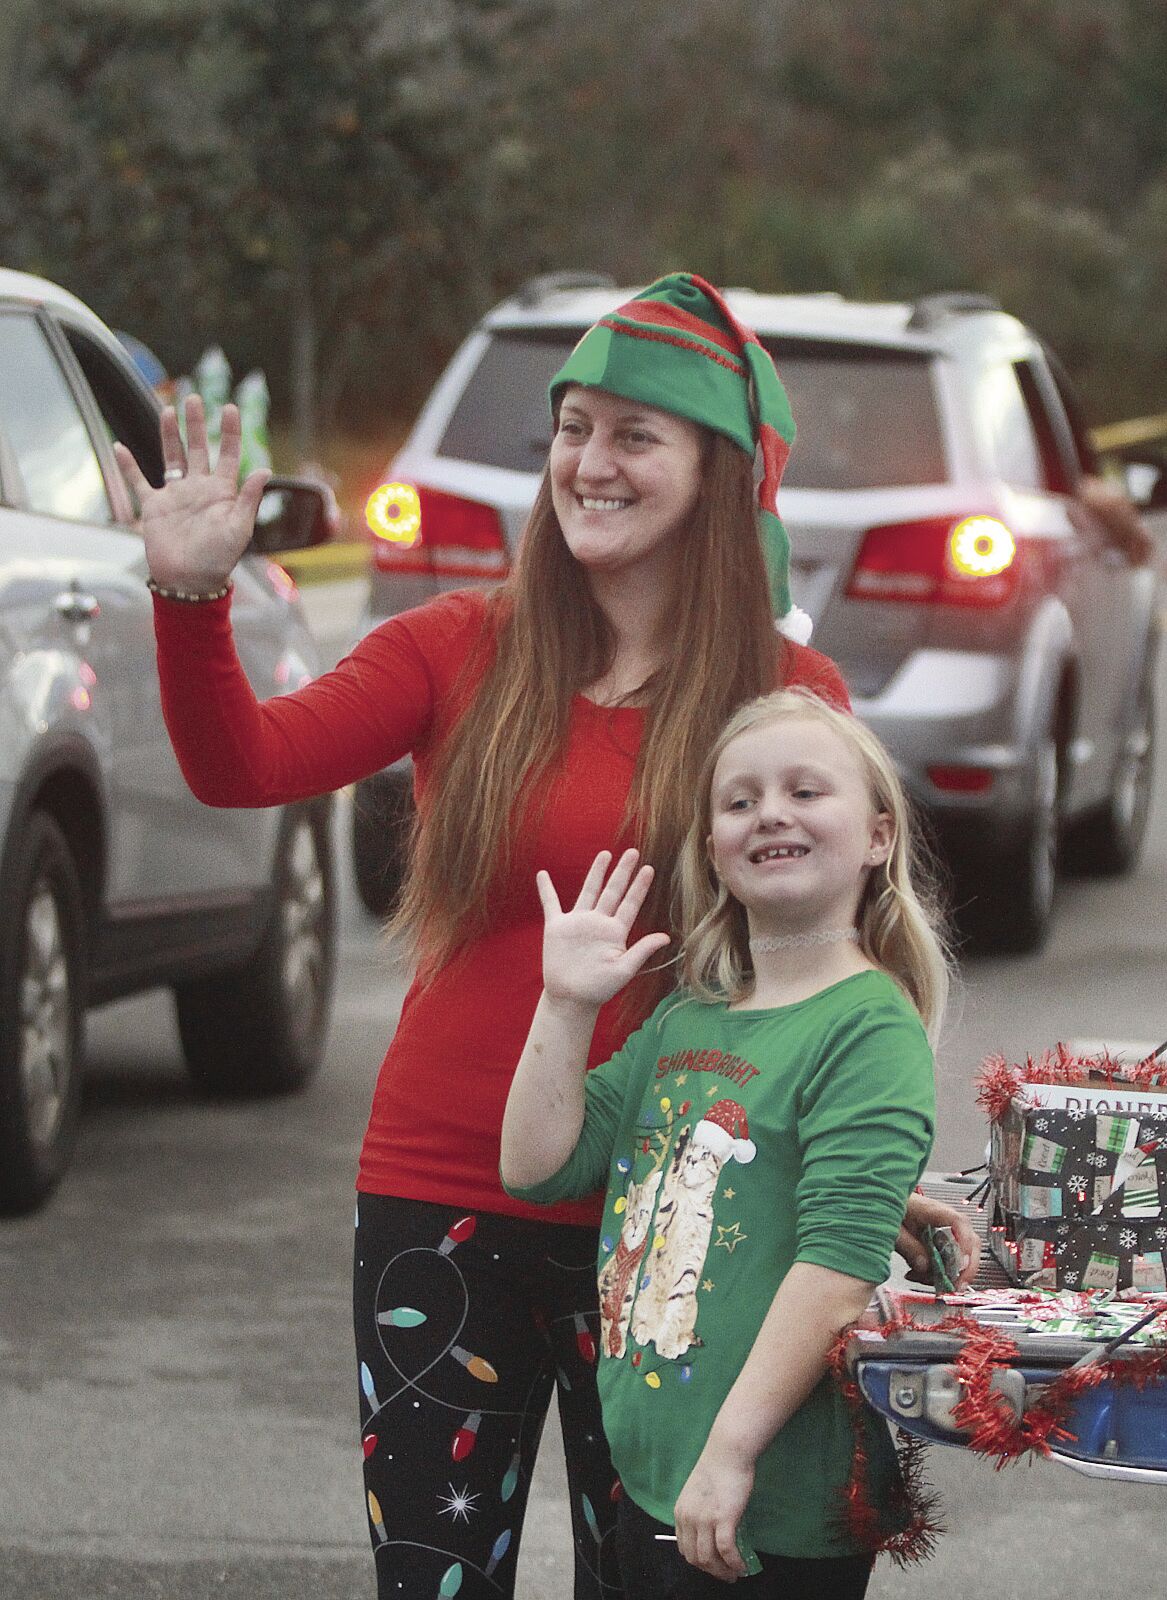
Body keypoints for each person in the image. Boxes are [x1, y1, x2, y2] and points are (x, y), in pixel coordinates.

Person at [113, 271, 976, 1600]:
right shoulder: (457, 644)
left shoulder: (785, 697)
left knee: (651, 1577)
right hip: (440, 1193)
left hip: (680, 1215)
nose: (588, 461)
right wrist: (190, 599)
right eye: (571, 428)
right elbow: (244, 764)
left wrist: (841, 1163)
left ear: (714, 469)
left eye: (635, 434)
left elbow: (825, 962)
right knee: (432, 1579)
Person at [501, 687, 948, 1598]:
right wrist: (565, 1002)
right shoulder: (684, 1020)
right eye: (738, 800)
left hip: (762, 1500)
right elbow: (537, 1166)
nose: (769, 813)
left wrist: (730, 1454)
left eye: (804, 791)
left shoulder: (867, 1028)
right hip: (659, 1479)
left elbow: (835, 1270)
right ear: (713, 849)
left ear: (877, 835)